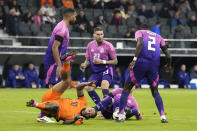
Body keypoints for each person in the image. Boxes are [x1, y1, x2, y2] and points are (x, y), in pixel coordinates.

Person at [115, 25, 171, 123]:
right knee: (155, 91)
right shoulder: (159, 37)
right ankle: (163, 117)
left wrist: (134, 60)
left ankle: (121, 115)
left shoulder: (140, 32)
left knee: (127, 88)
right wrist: (168, 65)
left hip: (141, 62)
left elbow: (140, 43)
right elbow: (168, 55)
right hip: (154, 65)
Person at [26, 58, 96, 124]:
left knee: (56, 105)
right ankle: (66, 62)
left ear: (87, 118)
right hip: (52, 98)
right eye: (89, 111)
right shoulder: (83, 102)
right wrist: (85, 84)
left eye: (89, 115)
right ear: (89, 107)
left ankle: (36, 104)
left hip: (52, 110)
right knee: (67, 82)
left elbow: (64, 123)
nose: (87, 113)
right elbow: (78, 88)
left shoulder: (79, 120)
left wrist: (74, 119)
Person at [42, 8, 77, 123]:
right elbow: (54, 47)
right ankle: (43, 115)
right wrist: (58, 65)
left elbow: (60, 47)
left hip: (56, 61)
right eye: (75, 16)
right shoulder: (62, 29)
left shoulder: (63, 26)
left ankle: (45, 114)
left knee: (56, 88)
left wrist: (66, 58)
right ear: (70, 16)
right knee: (53, 88)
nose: (75, 17)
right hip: (53, 62)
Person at [80, 27, 118, 104]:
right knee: (89, 88)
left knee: (104, 85)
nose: (100, 36)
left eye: (101, 34)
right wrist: (84, 64)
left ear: (103, 35)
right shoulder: (90, 45)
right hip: (96, 72)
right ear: (94, 35)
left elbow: (115, 61)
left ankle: (108, 108)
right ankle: (101, 106)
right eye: (98, 34)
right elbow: (87, 60)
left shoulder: (108, 45)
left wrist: (102, 62)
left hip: (106, 70)